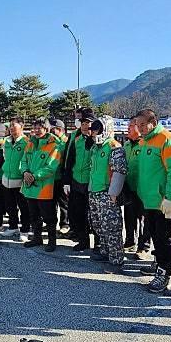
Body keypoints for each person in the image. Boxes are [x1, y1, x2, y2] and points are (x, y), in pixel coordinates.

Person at [135, 108, 171, 293]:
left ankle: (165, 273)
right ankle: (158, 265)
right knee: (155, 235)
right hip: (150, 200)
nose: (140, 128)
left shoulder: (168, 140)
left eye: (143, 124)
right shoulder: (144, 142)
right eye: (137, 125)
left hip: (164, 201)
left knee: (164, 239)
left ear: (153, 123)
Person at [87, 116, 128, 272]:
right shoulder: (95, 148)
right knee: (98, 225)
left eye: (96, 130)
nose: (93, 133)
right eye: (93, 130)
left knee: (112, 226)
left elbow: (120, 171)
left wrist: (114, 193)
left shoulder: (114, 147)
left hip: (107, 193)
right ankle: (105, 251)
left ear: (106, 130)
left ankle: (116, 260)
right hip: (95, 192)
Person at [20, 117, 62, 252]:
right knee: (33, 214)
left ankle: (51, 241)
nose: (37, 130)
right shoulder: (30, 143)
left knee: (49, 216)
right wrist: (25, 171)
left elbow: (51, 167)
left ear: (46, 129)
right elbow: (23, 160)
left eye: (40, 128)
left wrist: (34, 176)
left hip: (44, 187)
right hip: (29, 186)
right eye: (35, 127)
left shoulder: (53, 145)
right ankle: (37, 238)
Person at [63, 107, 96, 251]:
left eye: (88, 124)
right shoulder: (76, 139)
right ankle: (83, 241)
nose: (85, 127)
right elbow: (68, 160)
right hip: (76, 182)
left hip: (92, 183)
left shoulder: (98, 142)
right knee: (78, 213)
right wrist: (66, 181)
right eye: (83, 124)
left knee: (94, 216)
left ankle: (99, 244)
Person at [0, 116, 31, 240]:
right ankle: (13, 227)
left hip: (20, 180)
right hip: (6, 178)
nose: (11, 128)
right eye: (10, 126)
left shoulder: (26, 142)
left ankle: (25, 230)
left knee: (24, 207)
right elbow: (4, 157)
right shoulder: (6, 142)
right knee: (10, 206)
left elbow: (28, 160)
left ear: (22, 127)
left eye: (14, 125)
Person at [123, 116, 149, 255]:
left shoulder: (145, 144)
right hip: (128, 187)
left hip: (143, 189)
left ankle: (143, 246)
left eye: (131, 126)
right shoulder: (126, 145)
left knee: (143, 219)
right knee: (129, 216)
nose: (128, 128)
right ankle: (129, 241)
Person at [49, 119, 70, 232]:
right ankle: (51, 223)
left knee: (63, 202)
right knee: (51, 203)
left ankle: (64, 224)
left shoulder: (66, 142)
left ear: (60, 129)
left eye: (53, 129)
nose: (50, 131)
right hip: (51, 177)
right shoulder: (50, 141)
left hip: (61, 176)